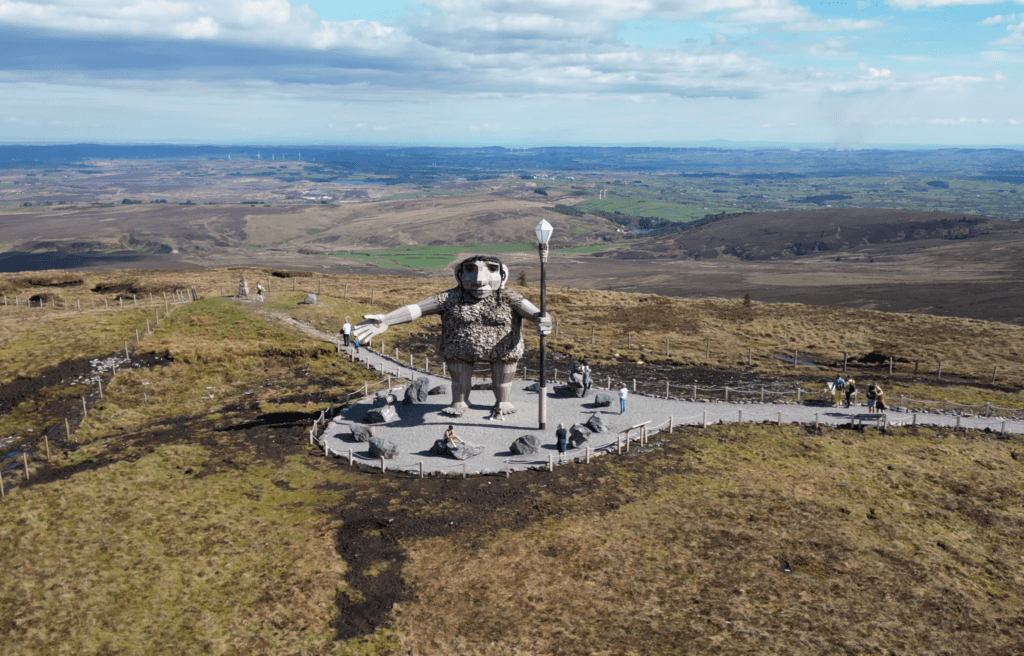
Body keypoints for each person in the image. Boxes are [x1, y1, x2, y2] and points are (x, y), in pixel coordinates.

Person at [353, 255, 552, 417]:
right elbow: (417, 309)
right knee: (460, 380)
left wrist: (542, 320)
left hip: (504, 349)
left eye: (491, 269)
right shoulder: (450, 298)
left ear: (503, 275)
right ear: (459, 274)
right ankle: (460, 402)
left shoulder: (510, 298)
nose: (480, 279)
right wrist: (386, 320)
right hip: (459, 349)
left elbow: (536, 314)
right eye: (470, 270)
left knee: (502, 380)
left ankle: (503, 401)